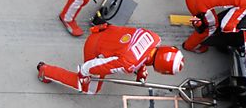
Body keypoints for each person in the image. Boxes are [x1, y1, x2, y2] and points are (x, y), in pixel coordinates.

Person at [37, 24, 184, 94]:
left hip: (105, 33)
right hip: (95, 47)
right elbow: (95, 65)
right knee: (89, 88)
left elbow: (141, 53)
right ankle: (46, 71)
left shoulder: (154, 37)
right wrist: (83, 74)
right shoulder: (129, 64)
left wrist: (141, 69)